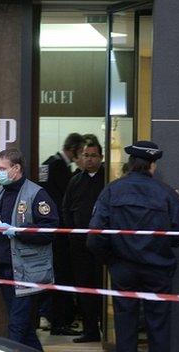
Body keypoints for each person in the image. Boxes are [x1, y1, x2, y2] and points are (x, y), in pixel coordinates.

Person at [87, 140, 179, 352]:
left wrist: (111, 260)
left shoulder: (112, 191)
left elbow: (94, 237)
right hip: (158, 268)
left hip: (123, 268)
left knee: (125, 326)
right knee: (159, 327)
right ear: (153, 165)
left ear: (131, 162)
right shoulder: (167, 193)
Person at [0, 148, 59, 350]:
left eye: (2, 168)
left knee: (16, 328)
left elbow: (49, 230)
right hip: (4, 270)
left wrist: (18, 231)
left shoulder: (36, 194)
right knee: (25, 331)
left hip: (27, 272)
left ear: (16, 168)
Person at [39, 132, 85, 336]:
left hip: (52, 232)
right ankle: (58, 321)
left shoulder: (50, 164)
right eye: (81, 151)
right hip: (59, 233)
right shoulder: (57, 167)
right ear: (74, 149)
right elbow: (63, 200)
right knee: (61, 276)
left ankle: (57, 318)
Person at [62, 139, 106, 343]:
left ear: (101, 157)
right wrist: (72, 233)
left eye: (94, 155)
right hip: (79, 245)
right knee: (83, 287)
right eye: (86, 155)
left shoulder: (108, 179)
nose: (89, 159)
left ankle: (106, 328)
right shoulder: (75, 180)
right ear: (80, 157)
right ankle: (90, 330)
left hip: (102, 244)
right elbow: (66, 209)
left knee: (102, 287)